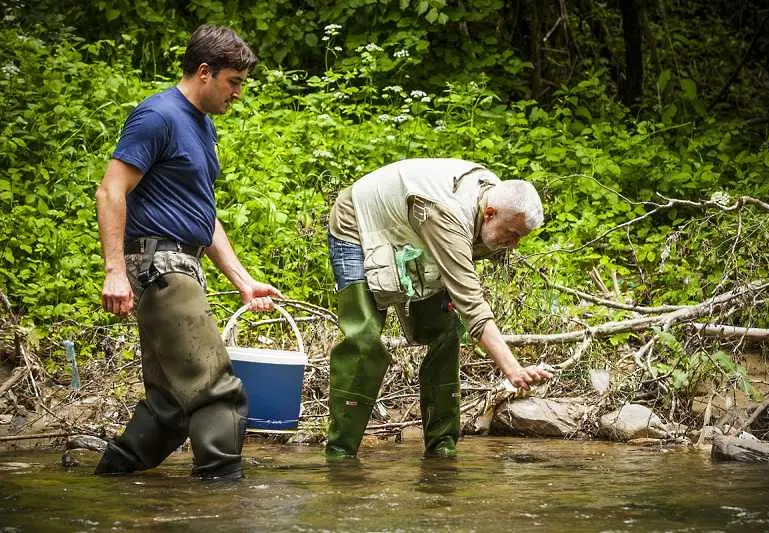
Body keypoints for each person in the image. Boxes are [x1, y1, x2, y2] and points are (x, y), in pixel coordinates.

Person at [94, 24, 283, 480]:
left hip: (183, 262)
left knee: (172, 404)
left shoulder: (202, 126)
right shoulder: (158, 116)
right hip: (161, 264)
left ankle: (111, 480)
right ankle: (222, 497)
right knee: (216, 389)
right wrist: (114, 271)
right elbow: (110, 189)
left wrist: (242, 280)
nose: (237, 93)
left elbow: (204, 214)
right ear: (204, 72)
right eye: (233, 81)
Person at [325, 158, 553, 459]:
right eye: (512, 234)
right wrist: (513, 369)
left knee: (446, 334)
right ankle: (340, 455)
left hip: (414, 235)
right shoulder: (447, 215)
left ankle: (442, 451)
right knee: (364, 340)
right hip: (358, 223)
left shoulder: (494, 197)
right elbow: (471, 303)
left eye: (521, 237)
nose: (514, 245)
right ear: (489, 213)